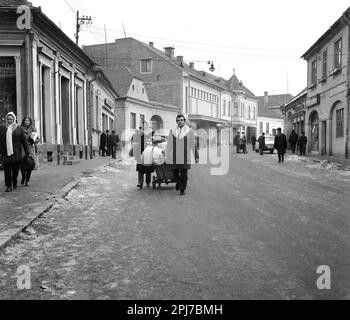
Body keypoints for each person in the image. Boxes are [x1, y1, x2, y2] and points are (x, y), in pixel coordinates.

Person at [166, 114, 198, 196]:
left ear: (184, 121)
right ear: (176, 122)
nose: (180, 122)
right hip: (174, 156)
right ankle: (178, 182)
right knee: (175, 173)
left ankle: (182, 189)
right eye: (178, 120)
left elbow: (193, 144)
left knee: (184, 173)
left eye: (181, 120)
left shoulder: (189, 131)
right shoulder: (172, 131)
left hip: (185, 156)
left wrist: (196, 156)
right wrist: (167, 154)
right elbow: (169, 144)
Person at [0, 112, 30, 192]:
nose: (9, 120)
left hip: (16, 153)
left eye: (11, 119)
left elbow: (24, 141)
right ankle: (8, 185)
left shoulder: (19, 128)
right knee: (7, 170)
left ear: (14, 119)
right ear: (6, 119)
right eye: (8, 119)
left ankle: (14, 181)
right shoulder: (2, 128)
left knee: (15, 169)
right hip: (6, 153)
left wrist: (27, 152)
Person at [131, 121, 154, 189]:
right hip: (140, 153)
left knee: (148, 169)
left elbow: (155, 139)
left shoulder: (151, 132)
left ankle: (148, 182)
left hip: (148, 153)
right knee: (140, 169)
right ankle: (140, 184)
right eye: (143, 125)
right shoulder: (138, 133)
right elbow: (133, 141)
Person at [20, 116, 39, 187]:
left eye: (28, 120)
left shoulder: (33, 129)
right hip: (22, 148)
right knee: (22, 164)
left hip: (30, 148)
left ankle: (27, 179)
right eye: (25, 120)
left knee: (30, 164)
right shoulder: (20, 128)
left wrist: (33, 141)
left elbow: (38, 139)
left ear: (30, 122)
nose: (26, 122)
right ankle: (23, 177)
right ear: (23, 121)